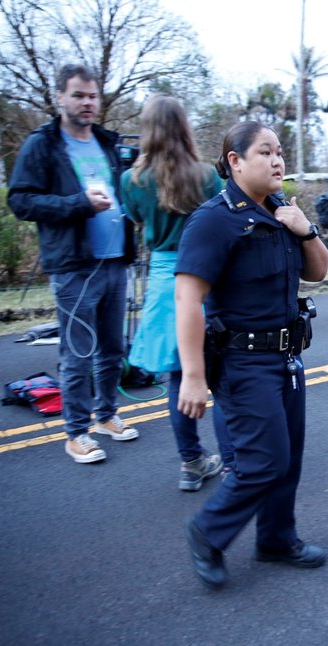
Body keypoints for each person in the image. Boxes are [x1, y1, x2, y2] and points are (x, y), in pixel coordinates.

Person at [175, 120, 328, 588]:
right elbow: (187, 300)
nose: (278, 160)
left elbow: (319, 272)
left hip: (287, 356)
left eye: (280, 151)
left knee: (289, 458)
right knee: (263, 462)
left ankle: (277, 540)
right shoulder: (213, 220)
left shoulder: (283, 211)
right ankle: (208, 532)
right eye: (265, 152)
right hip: (243, 362)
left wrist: (306, 231)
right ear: (235, 161)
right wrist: (193, 375)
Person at [8, 63, 139, 464]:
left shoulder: (107, 142)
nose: (87, 103)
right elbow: (21, 200)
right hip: (74, 268)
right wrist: (78, 204)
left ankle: (106, 416)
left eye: (92, 95)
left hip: (116, 262)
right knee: (79, 353)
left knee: (113, 349)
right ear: (60, 98)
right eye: (78, 95)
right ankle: (75, 433)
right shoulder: (42, 144)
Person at [119, 95, 232, 491]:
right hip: (210, 271)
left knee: (179, 374)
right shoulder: (205, 176)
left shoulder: (131, 180)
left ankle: (191, 461)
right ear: (184, 126)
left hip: (166, 277)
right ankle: (234, 460)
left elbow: (134, 219)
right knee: (221, 370)